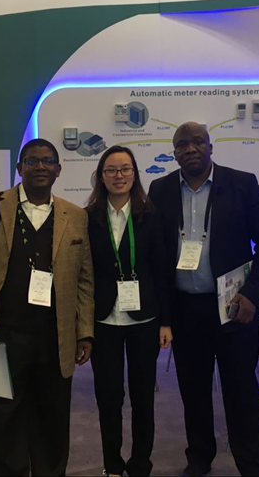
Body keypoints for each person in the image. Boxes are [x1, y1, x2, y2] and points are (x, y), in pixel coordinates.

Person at [0, 139, 94, 477]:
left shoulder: (75, 216)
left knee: (51, 419)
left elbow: (84, 279)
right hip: (0, 333)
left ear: (59, 170)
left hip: (54, 337)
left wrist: (84, 332)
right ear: (19, 169)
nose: (40, 166)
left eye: (48, 161)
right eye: (32, 161)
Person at [148, 122, 259, 477]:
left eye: (197, 142)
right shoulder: (160, 189)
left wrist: (252, 293)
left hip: (234, 307)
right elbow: (156, 251)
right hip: (185, 309)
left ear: (210, 147)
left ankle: (251, 465)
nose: (189, 149)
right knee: (193, 389)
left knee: (241, 389)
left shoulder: (242, 184)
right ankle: (199, 458)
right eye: (181, 144)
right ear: (174, 152)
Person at [85, 145, 173, 477]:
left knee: (142, 396)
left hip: (145, 319)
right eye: (111, 170)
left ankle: (140, 465)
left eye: (125, 169)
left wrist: (166, 321)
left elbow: (161, 270)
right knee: (108, 397)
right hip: (103, 319)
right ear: (100, 176)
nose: (118, 175)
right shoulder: (88, 218)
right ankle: (112, 465)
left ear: (134, 174)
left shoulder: (151, 216)